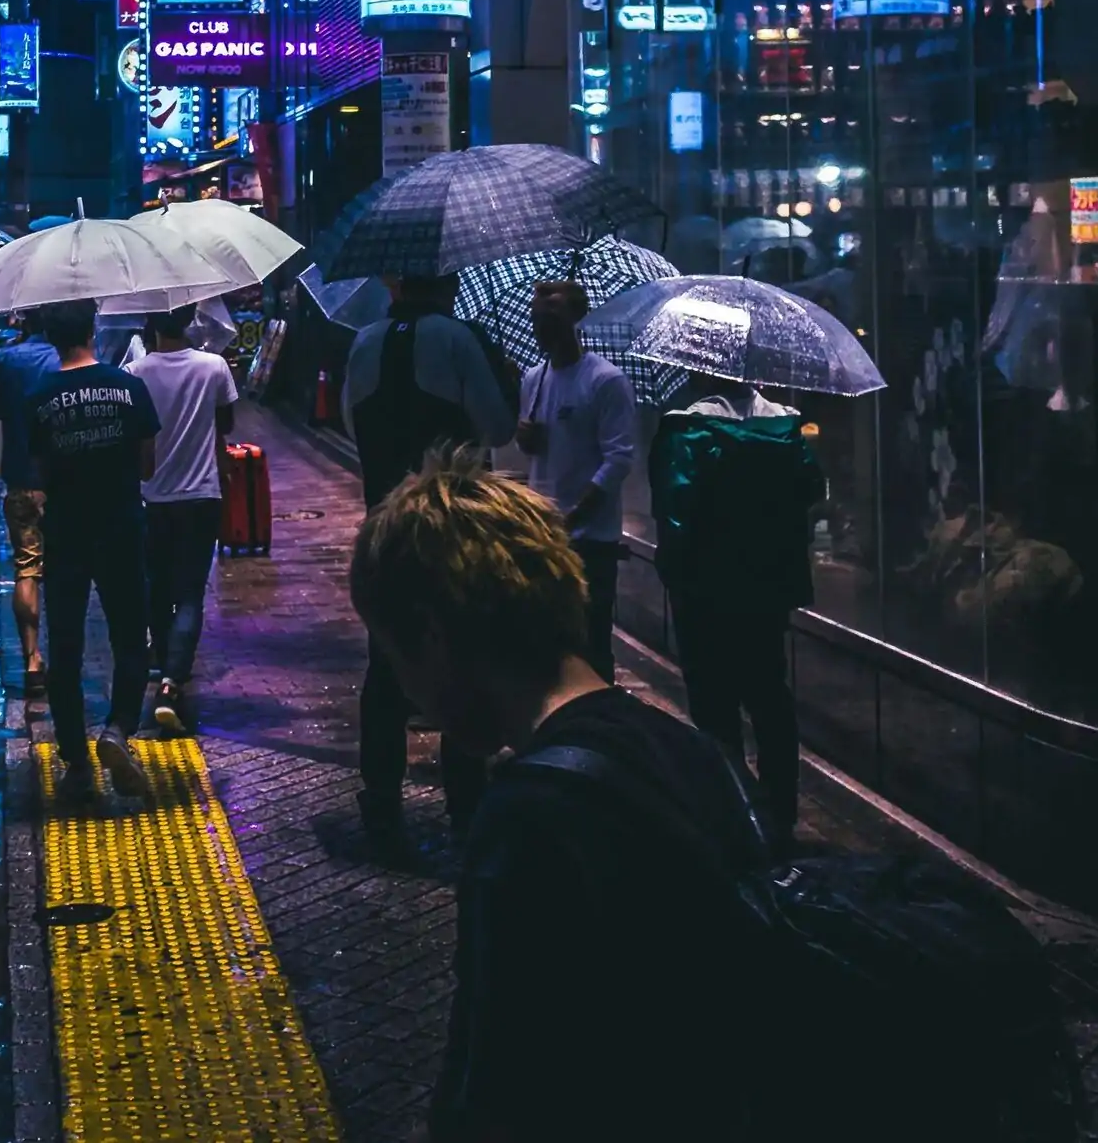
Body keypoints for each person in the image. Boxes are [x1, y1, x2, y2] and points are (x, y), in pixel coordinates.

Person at [351, 466, 769, 1143]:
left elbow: (492, 1097)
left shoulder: (528, 818)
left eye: (398, 663)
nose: (413, 703)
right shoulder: (696, 752)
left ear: (431, 635)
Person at [345, 275, 514, 847]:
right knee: (463, 656)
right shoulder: (459, 338)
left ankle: (381, 797)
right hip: (451, 527)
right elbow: (498, 427)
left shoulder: (364, 340)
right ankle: (465, 802)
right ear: (445, 282)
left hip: (385, 524)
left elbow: (351, 426)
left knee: (387, 662)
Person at [649, 379, 822, 853]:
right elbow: (811, 487)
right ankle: (782, 813)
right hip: (766, 589)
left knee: (714, 704)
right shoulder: (783, 424)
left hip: (705, 592)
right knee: (769, 696)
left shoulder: (689, 429)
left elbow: (675, 511)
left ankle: (735, 812)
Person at [21, 300, 157, 802]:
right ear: (93, 329)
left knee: (67, 646)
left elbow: (39, 473)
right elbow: (148, 466)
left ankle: (75, 755)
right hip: (122, 526)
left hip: (66, 532)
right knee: (130, 639)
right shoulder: (130, 388)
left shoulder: (39, 397)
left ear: (51, 338)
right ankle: (118, 731)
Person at [517, 280, 641, 681]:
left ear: (575, 318)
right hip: (543, 536)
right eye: (536, 317)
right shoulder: (533, 379)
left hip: (590, 540)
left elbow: (619, 458)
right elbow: (535, 452)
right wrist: (525, 439)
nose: (540, 326)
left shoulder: (605, 381)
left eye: (550, 316)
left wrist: (573, 517)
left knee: (591, 643)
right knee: (549, 642)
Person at [132, 304, 237, 737]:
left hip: (153, 496)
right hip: (202, 495)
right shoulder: (214, 367)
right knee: (191, 591)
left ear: (151, 324)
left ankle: (163, 665)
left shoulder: (136, 372)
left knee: (158, 587)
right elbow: (226, 422)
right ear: (191, 318)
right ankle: (174, 681)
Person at [0, 311, 65, 701]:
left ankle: (31, 660)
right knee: (64, 572)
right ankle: (63, 656)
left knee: (28, 569)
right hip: (66, 484)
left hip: (22, 481)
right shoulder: (70, 359)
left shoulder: (6, 360)